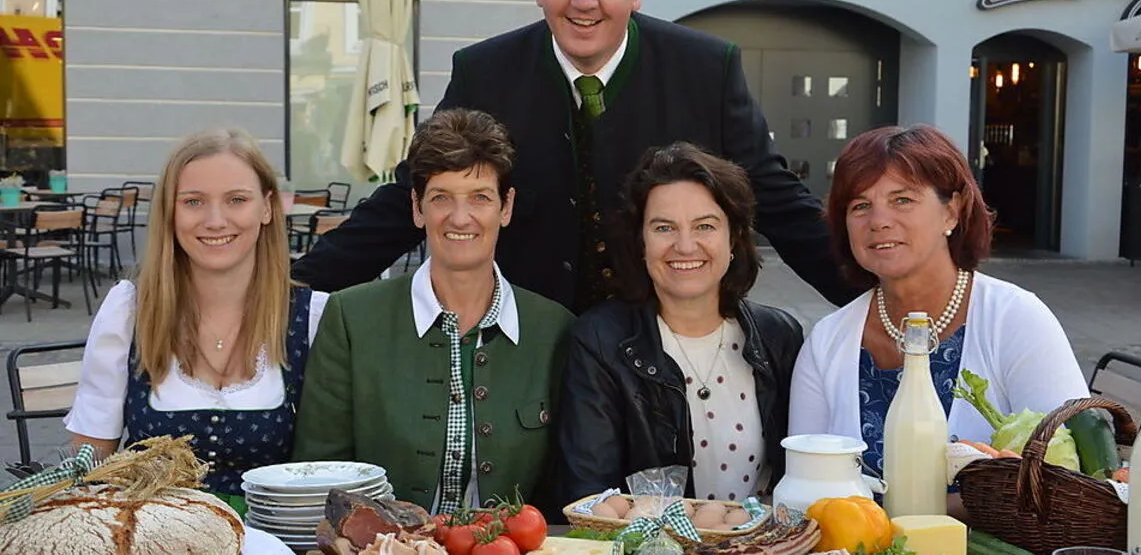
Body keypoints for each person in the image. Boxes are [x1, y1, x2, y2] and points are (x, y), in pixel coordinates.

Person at [292, 0, 858, 314]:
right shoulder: (484, 71)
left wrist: (868, 299)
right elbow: (407, 200)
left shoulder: (707, 68)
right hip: (528, 346)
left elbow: (779, 202)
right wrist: (290, 294)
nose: (583, 0)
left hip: (660, 346)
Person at [292, 110, 575, 515]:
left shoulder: (555, 330)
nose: (460, 218)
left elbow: (561, 493)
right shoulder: (351, 319)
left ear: (506, 207)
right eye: (441, 197)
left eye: (480, 197)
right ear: (417, 207)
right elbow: (319, 475)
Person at [787, 124, 1088, 478]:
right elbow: (805, 482)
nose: (879, 221)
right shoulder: (826, 342)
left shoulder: (1016, 320)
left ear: (952, 211)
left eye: (903, 200)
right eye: (860, 206)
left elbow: (1072, 473)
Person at [64, 128, 328, 510]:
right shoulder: (129, 312)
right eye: (193, 202)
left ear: (267, 208)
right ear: (170, 212)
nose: (215, 220)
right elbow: (90, 466)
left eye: (237, 199)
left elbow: (333, 471)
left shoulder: (311, 318)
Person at [556, 142, 803, 507]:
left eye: (705, 225)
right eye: (664, 227)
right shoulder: (599, 341)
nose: (685, 245)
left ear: (733, 237)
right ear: (641, 242)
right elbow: (589, 497)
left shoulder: (780, 337)